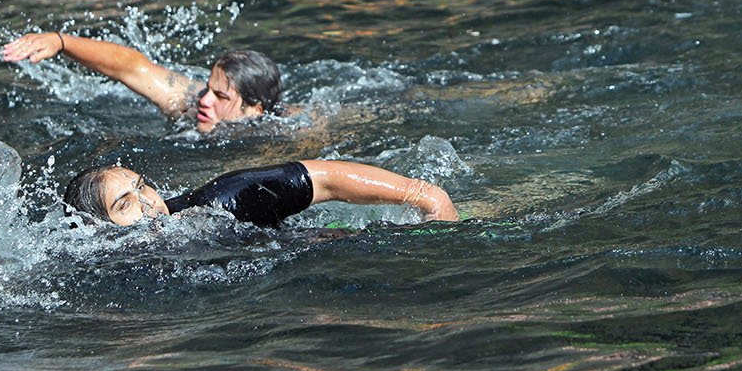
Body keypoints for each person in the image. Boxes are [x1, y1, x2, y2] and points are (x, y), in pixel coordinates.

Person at [2, 30, 280, 133]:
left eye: (221, 97)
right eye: (208, 87)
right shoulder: (189, 101)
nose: (204, 99)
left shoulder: (282, 135)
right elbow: (132, 67)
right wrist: (60, 41)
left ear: (255, 109)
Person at [66, 159, 458, 227]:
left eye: (141, 187)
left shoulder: (218, 203)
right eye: (125, 204)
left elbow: (323, 177)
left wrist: (425, 195)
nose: (149, 200)